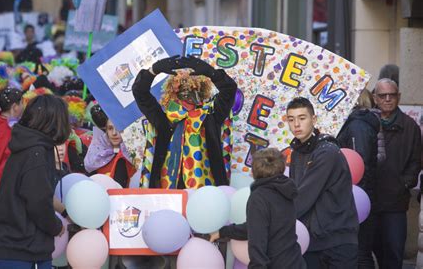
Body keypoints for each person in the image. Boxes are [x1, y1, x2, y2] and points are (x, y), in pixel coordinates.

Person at [0, 95, 70, 269]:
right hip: (21, 248)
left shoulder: (28, 145)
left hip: (14, 245)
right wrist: (56, 227)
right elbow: (38, 201)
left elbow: (39, 192)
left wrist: (65, 213)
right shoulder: (36, 152)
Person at [132, 55, 237, 189]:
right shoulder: (163, 119)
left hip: (206, 195)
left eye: (193, 88)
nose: (187, 91)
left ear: (201, 90)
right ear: (173, 91)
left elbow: (229, 90)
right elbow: (140, 92)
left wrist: (211, 72)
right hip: (168, 193)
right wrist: (153, 70)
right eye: (182, 86)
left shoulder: (211, 117)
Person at [286, 97, 359, 268]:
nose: (296, 124)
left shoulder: (327, 152)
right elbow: (293, 191)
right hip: (310, 240)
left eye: (302, 118)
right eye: (291, 119)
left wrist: (270, 219)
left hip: (337, 242)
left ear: (314, 119)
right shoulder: (297, 152)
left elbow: (302, 198)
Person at [209, 148, 305, 268]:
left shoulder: (259, 197)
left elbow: (258, 244)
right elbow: (257, 226)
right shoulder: (286, 190)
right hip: (295, 262)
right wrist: (223, 232)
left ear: (254, 171)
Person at [372, 78, 421, 269]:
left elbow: (416, 162)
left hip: (396, 203)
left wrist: (404, 184)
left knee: (394, 251)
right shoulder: (367, 124)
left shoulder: (410, 127)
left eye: (391, 95)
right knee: (374, 250)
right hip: (371, 201)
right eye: (382, 95)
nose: (387, 99)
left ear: (398, 97)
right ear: (375, 98)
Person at [337, 89, 380, 268]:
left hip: (357, 197)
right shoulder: (356, 124)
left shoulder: (357, 126)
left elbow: (359, 165)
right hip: (356, 195)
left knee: (360, 252)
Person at [84, 104, 136, 187]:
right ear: (106, 130)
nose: (114, 133)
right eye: (110, 128)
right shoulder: (97, 152)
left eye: (119, 128)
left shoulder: (134, 154)